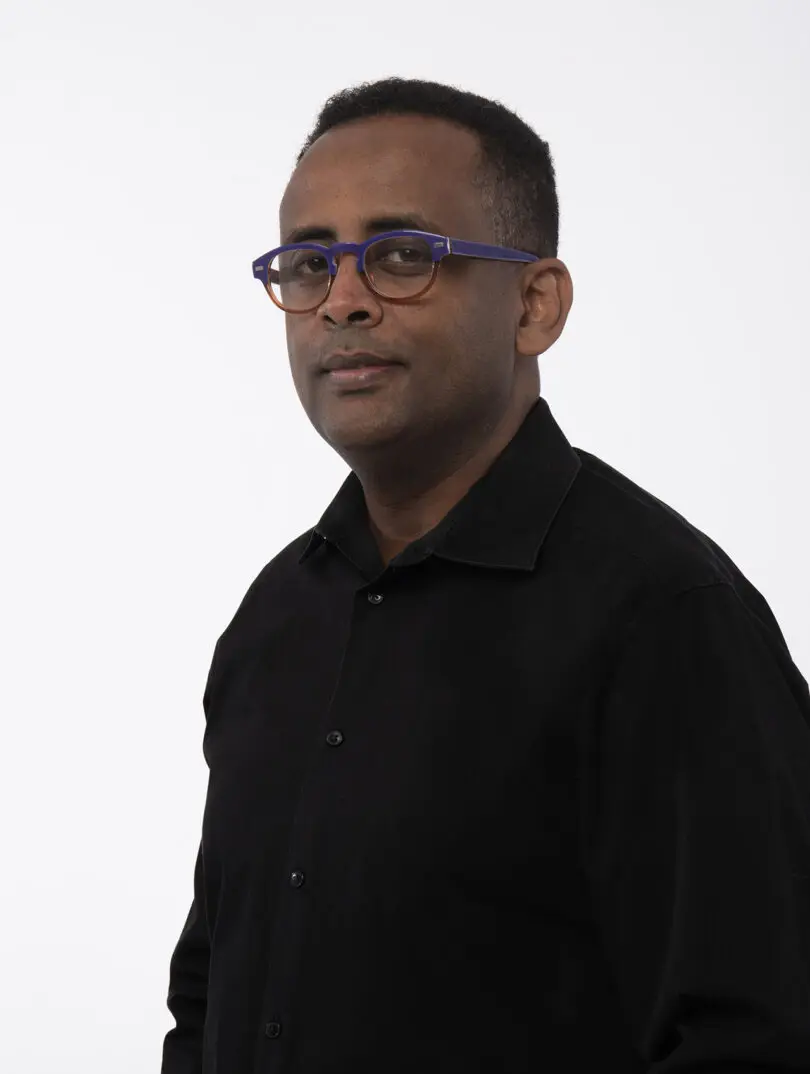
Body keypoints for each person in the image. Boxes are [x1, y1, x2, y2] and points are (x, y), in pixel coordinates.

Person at [160, 77, 810, 1073]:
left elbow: (754, 1037)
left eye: (402, 255)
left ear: (534, 305)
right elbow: (209, 1000)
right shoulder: (276, 619)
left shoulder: (666, 621)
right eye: (307, 261)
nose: (340, 299)